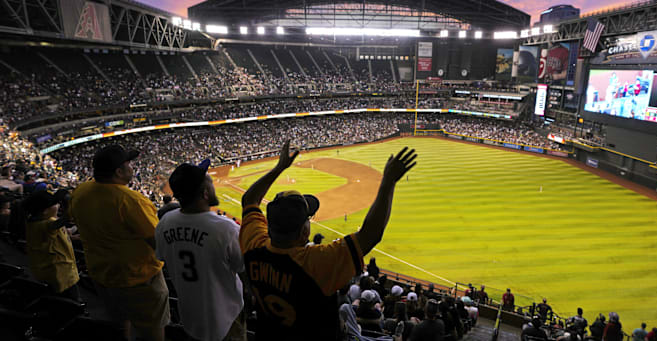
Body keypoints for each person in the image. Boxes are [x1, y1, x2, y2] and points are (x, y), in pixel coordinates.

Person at [240, 142, 416, 340]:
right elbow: (370, 235)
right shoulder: (315, 263)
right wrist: (388, 182)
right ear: (302, 233)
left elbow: (249, 201)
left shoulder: (253, 245)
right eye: (308, 219)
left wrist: (279, 168)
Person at [70, 145, 169, 341]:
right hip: (138, 279)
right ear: (119, 172)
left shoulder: (81, 191)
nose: (133, 167)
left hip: (102, 275)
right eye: (129, 164)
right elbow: (159, 243)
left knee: (120, 323)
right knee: (153, 329)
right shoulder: (131, 200)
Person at [156, 160, 246, 341]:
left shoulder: (165, 222)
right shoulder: (226, 228)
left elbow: (161, 257)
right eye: (210, 182)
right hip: (226, 318)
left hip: (190, 317)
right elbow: (243, 270)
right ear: (205, 193)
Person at [24, 190, 81, 301]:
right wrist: (74, 206)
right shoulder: (42, 225)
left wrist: (75, 229)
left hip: (54, 269)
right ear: (45, 211)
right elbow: (61, 222)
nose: (58, 205)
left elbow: (62, 231)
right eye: (55, 204)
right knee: (70, 299)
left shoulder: (38, 221)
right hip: (59, 271)